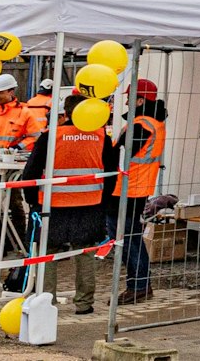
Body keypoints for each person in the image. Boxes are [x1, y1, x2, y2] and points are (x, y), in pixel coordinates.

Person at [19, 93, 118, 315]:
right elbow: (112, 174)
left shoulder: (50, 136)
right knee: (85, 253)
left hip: (52, 206)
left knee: (47, 253)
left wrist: (33, 201)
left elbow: (30, 173)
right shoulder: (101, 137)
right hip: (90, 205)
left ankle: (46, 303)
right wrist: (104, 200)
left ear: (65, 113)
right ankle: (84, 303)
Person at [111, 80, 166, 303]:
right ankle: (141, 284)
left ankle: (138, 286)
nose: (126, 102)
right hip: (136, 187)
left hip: (128, 188)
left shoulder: (142, 125)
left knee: (128, 239)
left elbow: (120, 152)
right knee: (130, 237)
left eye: (130, 98)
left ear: (140, 100)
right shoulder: (151, 123)